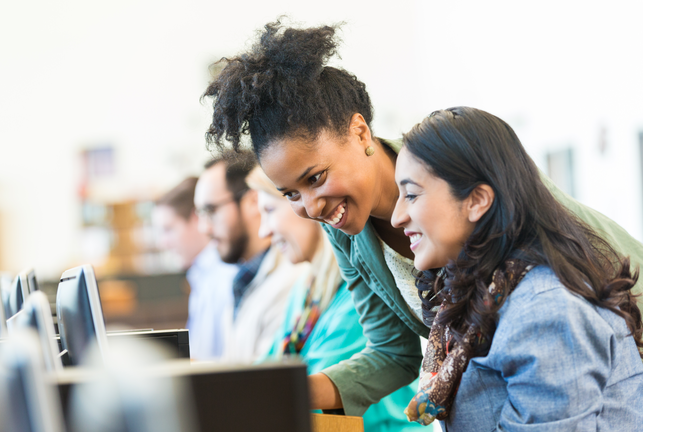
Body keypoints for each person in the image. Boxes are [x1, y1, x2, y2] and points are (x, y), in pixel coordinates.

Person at [202, 21, 644, 417]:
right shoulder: (347, 230)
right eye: (290, 195)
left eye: (316, 178)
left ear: (359, 133)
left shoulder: (460, 170)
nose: (311, 208)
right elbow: (393, 354)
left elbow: (566, 303)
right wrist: (273, 391)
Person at [392, 107, 642, 429]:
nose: (397, 216)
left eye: (411, 194)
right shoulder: (490, 292)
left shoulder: (544, 309)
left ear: (477, 200)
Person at [247, 166, 426, 431]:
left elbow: (310, 395)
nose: (263, 231)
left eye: (270, 211)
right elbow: (267, 371)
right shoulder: (306, 292)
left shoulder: (358, 296)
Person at [194, 149, 306, 363]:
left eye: (211, 211)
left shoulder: (291, 279)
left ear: (252, 201)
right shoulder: (243, 278)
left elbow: (266, 379)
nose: (204, 227)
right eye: (200, 214)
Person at [153, 177, 239, 361]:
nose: (163, 243)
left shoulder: (224, 277)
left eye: (168, 229)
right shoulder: (202, 275)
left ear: (195, 218)